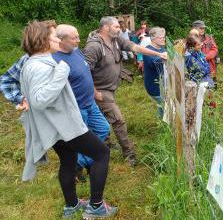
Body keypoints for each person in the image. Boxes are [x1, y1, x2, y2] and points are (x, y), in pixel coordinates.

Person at [19, 21, 116, 218]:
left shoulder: (34, 62)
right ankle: (96, 207)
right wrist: (62, 73)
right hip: (64, 125)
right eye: (54, 36)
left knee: (69, 159)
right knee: (101, 153)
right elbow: (39, 100)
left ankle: (71, 205)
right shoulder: (40, 66)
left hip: (55, 126)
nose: (57, 39)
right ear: (44, 40)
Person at [84, 16, 168, 166]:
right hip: (101, 91)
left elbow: (135, 48)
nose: (120, 29)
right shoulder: (94, 47)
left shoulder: (116, 40)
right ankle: (129, 154)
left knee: (103, 119)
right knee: (119, 120)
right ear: (105, 28)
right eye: (116, 27)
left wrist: (158, 54)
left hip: (111, 88)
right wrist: (95, 93)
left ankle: (106, 143)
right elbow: (84, 72)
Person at [52, 24, 110, 179]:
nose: (78, 40)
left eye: (78, 36)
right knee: (79, 141)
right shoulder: (55, 60)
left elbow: (86, 73)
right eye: (74, 38)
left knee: (103, 128)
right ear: (61, 40)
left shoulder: (76, 51)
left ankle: (80, 163)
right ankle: (85, 163)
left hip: (90, 103)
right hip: (76, 108)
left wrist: (95, 92)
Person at [0, 20, 57, 111]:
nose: (59, 39)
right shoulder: (28, 59)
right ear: (44, 39)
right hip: (44, 118)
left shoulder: (69, 53)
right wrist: (21, 99)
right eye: (56, 36)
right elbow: (6, 81)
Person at [143, 27, 167, 119]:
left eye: (164, 37)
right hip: (154, 85)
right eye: (161, 37)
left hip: (163, 83)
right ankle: (162, 123)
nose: (163, 39)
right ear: (153, 38)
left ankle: (162, 122)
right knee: (164, 104)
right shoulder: (148, 50)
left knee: (163, 104)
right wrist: (163, 57)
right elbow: (154, 62)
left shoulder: (162, 49)